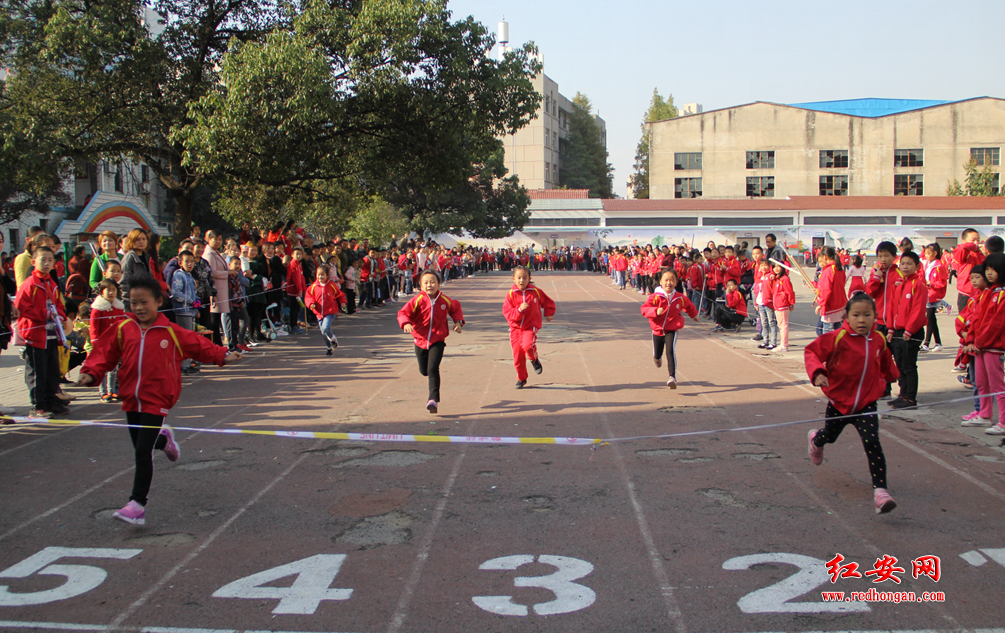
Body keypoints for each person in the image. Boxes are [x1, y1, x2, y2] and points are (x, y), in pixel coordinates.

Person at [78, 278, 241, 526]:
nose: (139, 308)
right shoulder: (123, 329)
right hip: (131, 397)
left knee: (143, 451)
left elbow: (198, 344)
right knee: (142, 446)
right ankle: (164, 440)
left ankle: (137, 504)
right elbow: (104, 352)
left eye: (144, 302)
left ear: (158, 302)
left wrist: (222, 355)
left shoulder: (171, 332)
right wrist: (91, 372)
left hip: (157, 399)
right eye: (133, 303)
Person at [805, 292, 900, 514]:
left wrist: (893, 377)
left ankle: (880, 492)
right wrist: (818, 372)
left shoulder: (878, 340)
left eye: (867, 315)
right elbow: (812, 351)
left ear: (875, 316)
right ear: (847, 316)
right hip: (840, 403)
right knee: (831, 435)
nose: (861, 320)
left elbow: (885, 363)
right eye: (856, 315)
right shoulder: (837, 337)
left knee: (872, 441)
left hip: (866, 404)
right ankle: (816, 440)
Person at [396, 271, 464, 414]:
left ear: (439, 284)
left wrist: (458, 322)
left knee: (433, 369)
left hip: (437, 340)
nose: (429, 285)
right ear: (420, 285)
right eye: (426, 282)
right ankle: (430, 389)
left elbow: (455, 308)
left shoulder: (444, 300)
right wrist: (405, 323)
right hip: (420, 340)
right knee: (424, 371)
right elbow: (403, 313)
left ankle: (433, 400)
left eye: (433, 282)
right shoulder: (417, 301)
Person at [15, 245, 70, 417]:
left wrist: (60, 315)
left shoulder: (52, 283)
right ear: (33, 262)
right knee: (37, 373)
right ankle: (37, 405)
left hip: (52, 334)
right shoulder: (29, 284)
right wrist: (45, 314)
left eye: (50, 260)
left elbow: (59, 305)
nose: (47, 263)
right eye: (43, 260)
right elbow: (21, 308)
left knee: (52, 370)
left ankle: (51, 401)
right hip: (35, 334)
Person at [641, 268, 698, 389]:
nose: (669, 283)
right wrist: (655, 311)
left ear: (676, 282)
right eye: (666, 280)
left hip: (672, 328)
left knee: (670, 350)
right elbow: (644, 309)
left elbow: (689, 305)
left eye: (672, 280)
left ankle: (672, 377)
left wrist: (694, 315)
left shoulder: (679, 297)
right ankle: (657, 358)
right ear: (660, 282)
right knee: (658, 353)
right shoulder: (655, 297)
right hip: (657, 329)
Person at [968, 253, 1005, 435]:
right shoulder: (988, 293)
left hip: (993, 347)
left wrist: (980, 342)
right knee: (982, 382)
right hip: (980, 346)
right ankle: (984, 415)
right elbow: (978, 319)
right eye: (987, 269)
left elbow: (996, 323)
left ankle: (1003, 422)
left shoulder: (1002, 294)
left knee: (998, 386)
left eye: (994, 269)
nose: (989, 273)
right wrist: (972, 339)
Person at [502, 266, 556, 389]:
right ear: (513, 279)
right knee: (517, 357)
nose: (522, 280)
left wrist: (549, 313)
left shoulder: (536, 291)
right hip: (515, 329)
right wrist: (519, 310)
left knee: (527, 345)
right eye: (519, 278)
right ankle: (522, 379)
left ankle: (534, 359)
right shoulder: (511, 294)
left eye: (524, 278)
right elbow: (507, 313)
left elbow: (547, 302)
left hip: (530, 326)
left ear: (529, 279)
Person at [887, 251, 928, 409]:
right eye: (903, 263)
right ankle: (902, 394)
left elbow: (917, 311)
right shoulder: (898, 286)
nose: (905, 266)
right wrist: (890, 329)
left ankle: (910, 397)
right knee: (900, 365)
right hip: (898, 332)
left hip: (910, 333)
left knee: (909, 366)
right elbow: (892, 309)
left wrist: (909, 331)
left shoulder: (918, 286)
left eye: (909, 264)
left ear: (917, 267)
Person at [958, 265, 988, 426]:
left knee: (989, 383)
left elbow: (987, 324)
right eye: (972, 278)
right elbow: (961, 319)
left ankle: (987, 414)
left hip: (983, 346)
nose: (974, 281)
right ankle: (979, 410)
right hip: (972, 345)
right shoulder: (973, 298)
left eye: (978, 277)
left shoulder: (989, 297)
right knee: (976, 380)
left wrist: (972, 339)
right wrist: (965, 335)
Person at [90, 279, 126, 401]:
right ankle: (103, 392)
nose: (111, 292)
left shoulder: (119, 307)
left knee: (113, 368)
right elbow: (94, 327)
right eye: (108, 290)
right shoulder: (98, 308)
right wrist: (95, 342)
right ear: (101, 292)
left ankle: (111, 391)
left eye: (114, 290)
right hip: (102, 343)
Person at [171, 250, 201, 374]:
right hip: (182, 311)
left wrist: (197, 301)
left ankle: (187, 363)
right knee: (185, 339)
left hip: (191, 312)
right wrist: (190, 301)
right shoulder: (178, 274)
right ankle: (183, 366)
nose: (189, 264)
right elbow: (176, 293)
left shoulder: (190, 276)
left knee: (190, 338)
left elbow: (193, 293)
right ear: (180, 262)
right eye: (186, 261)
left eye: (192, 261)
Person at [305, 265, 346, 356]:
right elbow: (308, 297)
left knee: (325, 328)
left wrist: (343, 302)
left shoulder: (331, 285)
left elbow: (340, 294)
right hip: (319, 313)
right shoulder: (313, 287)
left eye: (322, 275)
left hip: (330, 312)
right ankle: (329, 347)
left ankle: (333, 339)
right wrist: (311, 304)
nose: (320, 277)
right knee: (323, 332)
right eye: (318, 274)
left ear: (327, 275)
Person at [921, 243, 948, 352]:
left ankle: (926, 343)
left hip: (934, 294)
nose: (926, 256)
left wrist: (932, 284)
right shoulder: (929, 264)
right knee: (932, 319)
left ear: (935, 253)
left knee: (929, 318)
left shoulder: (939, 266)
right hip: (928, 293)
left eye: (928, 254)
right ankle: (938, 342)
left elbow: (942, 282)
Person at [814, 247, 847, 333]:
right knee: (838, 333)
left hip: (830, 307)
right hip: (840, 305)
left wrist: (820, 304)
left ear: (825, 257)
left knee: (825, 334)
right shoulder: (839, 269)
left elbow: (826, 290)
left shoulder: (828, 271)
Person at [119, 229, 154, 311]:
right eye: (137, 239)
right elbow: (124, 282)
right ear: (131, 241)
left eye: (143, 239)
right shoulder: (129, 258)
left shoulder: (145, 256)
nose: (141, 242)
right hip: (132, 303)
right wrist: (128, 304)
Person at [953, 228, 985, 313]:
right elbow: (961, 249)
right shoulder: (963, 252)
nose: (976, 243)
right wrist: (973, 246)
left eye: (978, 240)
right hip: (966, 294)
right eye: (973, 240)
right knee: (964, 322)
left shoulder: (981, 254)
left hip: (981, 293)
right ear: (964, 241)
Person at [752, 259, 776, 350]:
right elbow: (756, 291)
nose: (764, 267)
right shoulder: (758, 278)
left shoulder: (770, 276)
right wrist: (756, 303)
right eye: (761, 266)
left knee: (771, 322)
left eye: (766, 265)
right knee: (764, 323)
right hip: (760, 302)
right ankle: (765, 341)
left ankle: (773, 342)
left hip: (768, 302)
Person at [771, 262, 795, 353]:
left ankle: (784, 345)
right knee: (781, 325)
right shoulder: (777, 279)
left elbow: (789, 291)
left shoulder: (784, 279)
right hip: (778, 304)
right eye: (774, 267)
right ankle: (783, 344)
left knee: (783, 325)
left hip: (782, 304)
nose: (776, 269)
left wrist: (791, 303)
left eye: (778, 266)